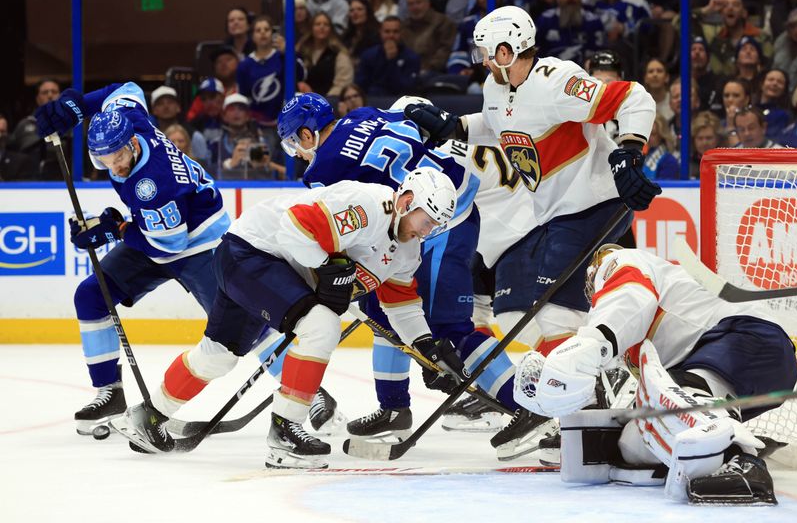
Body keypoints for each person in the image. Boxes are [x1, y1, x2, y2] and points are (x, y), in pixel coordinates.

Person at [401, 4, 658, 455]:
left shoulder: (556, 80)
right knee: (511, 314)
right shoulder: (496, 87)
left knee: (556, 314)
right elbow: (498, 125)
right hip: (550, 214)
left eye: (487, 50)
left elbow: (634, 96)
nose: (481, 59)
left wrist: (629, 152)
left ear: (509, 47)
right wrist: (453, 126)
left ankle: (581, 412)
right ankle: (592, 383)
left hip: (594, 205)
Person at [113, 168, 464, 470]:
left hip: (265, 268)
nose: (427, 231)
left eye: (435, 226)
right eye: (426, 220)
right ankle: (285, 431)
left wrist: (425, 346)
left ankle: (148, 415)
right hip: (250, 252)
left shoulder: (407, 249)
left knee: (217, 355)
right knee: (321, 325)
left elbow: (400, 302)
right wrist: (328, 268)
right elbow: (295, 227)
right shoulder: (368, 205)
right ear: (405, 202)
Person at [277, 93, 525, 442]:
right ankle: (393, 407)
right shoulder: (364, 114)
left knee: (450, 327)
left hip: (440, 224)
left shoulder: (322, 170)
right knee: (380, 309)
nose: (299, 154)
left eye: (293, 144)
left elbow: (344, 228)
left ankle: (525, 407)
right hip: (436, 210)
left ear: (306, 134)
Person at [514, 245, 796, 505]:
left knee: (668, 408)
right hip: (738, 363)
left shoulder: (619, 261)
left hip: (744, 337)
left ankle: (742, 461)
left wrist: (590, 345)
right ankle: (719, 439)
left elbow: (631, 296)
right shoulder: (621, 334)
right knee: (634, 444)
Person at [33, 82, 231, 436]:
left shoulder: (153, 184)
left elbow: (167, 248)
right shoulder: (128, 118)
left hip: (201, 241)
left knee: (240, 319)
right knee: (90, 295)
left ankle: (307, 394)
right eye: (106, 162)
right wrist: (75, 108)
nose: (117, 168)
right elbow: (126, 87)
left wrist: (114, 228)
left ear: (133, 144)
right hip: (156, 233)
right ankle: (109, 392)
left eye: (120, 158)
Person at [236, 14, 306, 158]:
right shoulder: (245, 65)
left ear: (273, 34)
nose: (262, 33)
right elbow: (244, 96)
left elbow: (300, 74)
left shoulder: (281, 57)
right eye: (258, 30)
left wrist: (288, 52)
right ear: (253, 36)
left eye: (266, 29)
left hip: (285, 121)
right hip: (258, 124)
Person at [208, 93, 285, 180]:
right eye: (231, 109)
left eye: (241, 108)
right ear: (224, 115)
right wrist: (229, 164)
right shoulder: (215, 144)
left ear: (248, 115)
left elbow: (290, 174)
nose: (236, 112)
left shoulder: (265, 142)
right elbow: (204, 175)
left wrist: (267, 164)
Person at [534, 0, 604, 65]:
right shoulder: (545, 20)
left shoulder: (593, 21)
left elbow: (599, 53)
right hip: (551, 73)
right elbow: (536, 52)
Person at [355, 16, 421, 96]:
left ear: (401, 33)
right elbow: (361, 85)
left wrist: (392, 61)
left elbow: (407, 87)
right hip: (373, 100)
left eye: (395, 32)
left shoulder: (412, 57)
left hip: (400, 102)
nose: (391, 35)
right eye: (387, 31)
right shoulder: (368, 55)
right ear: (380, 32)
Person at [297, 12, 355, 97]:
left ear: (330, 29)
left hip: (329, 102)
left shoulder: (339, 54)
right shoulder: (301, 51)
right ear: (311, 28)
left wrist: (323, 101)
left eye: (326, 24)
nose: (322, 27)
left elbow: (342, 85)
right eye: (317, 24)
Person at [401, 0, 457, 74]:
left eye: (418, 2)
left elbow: (445, 51)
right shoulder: (403, 26)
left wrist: (426, 69)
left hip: (433, 72)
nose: (415, 7)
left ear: (428, 3)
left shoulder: (443, 22)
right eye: (411, 4)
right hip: (407, 71)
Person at [341, 0, 382, 65]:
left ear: (367, 12)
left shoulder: (377, 35)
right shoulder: (346, 36)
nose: (355, 13)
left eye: (359, 9)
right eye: (351, 10)